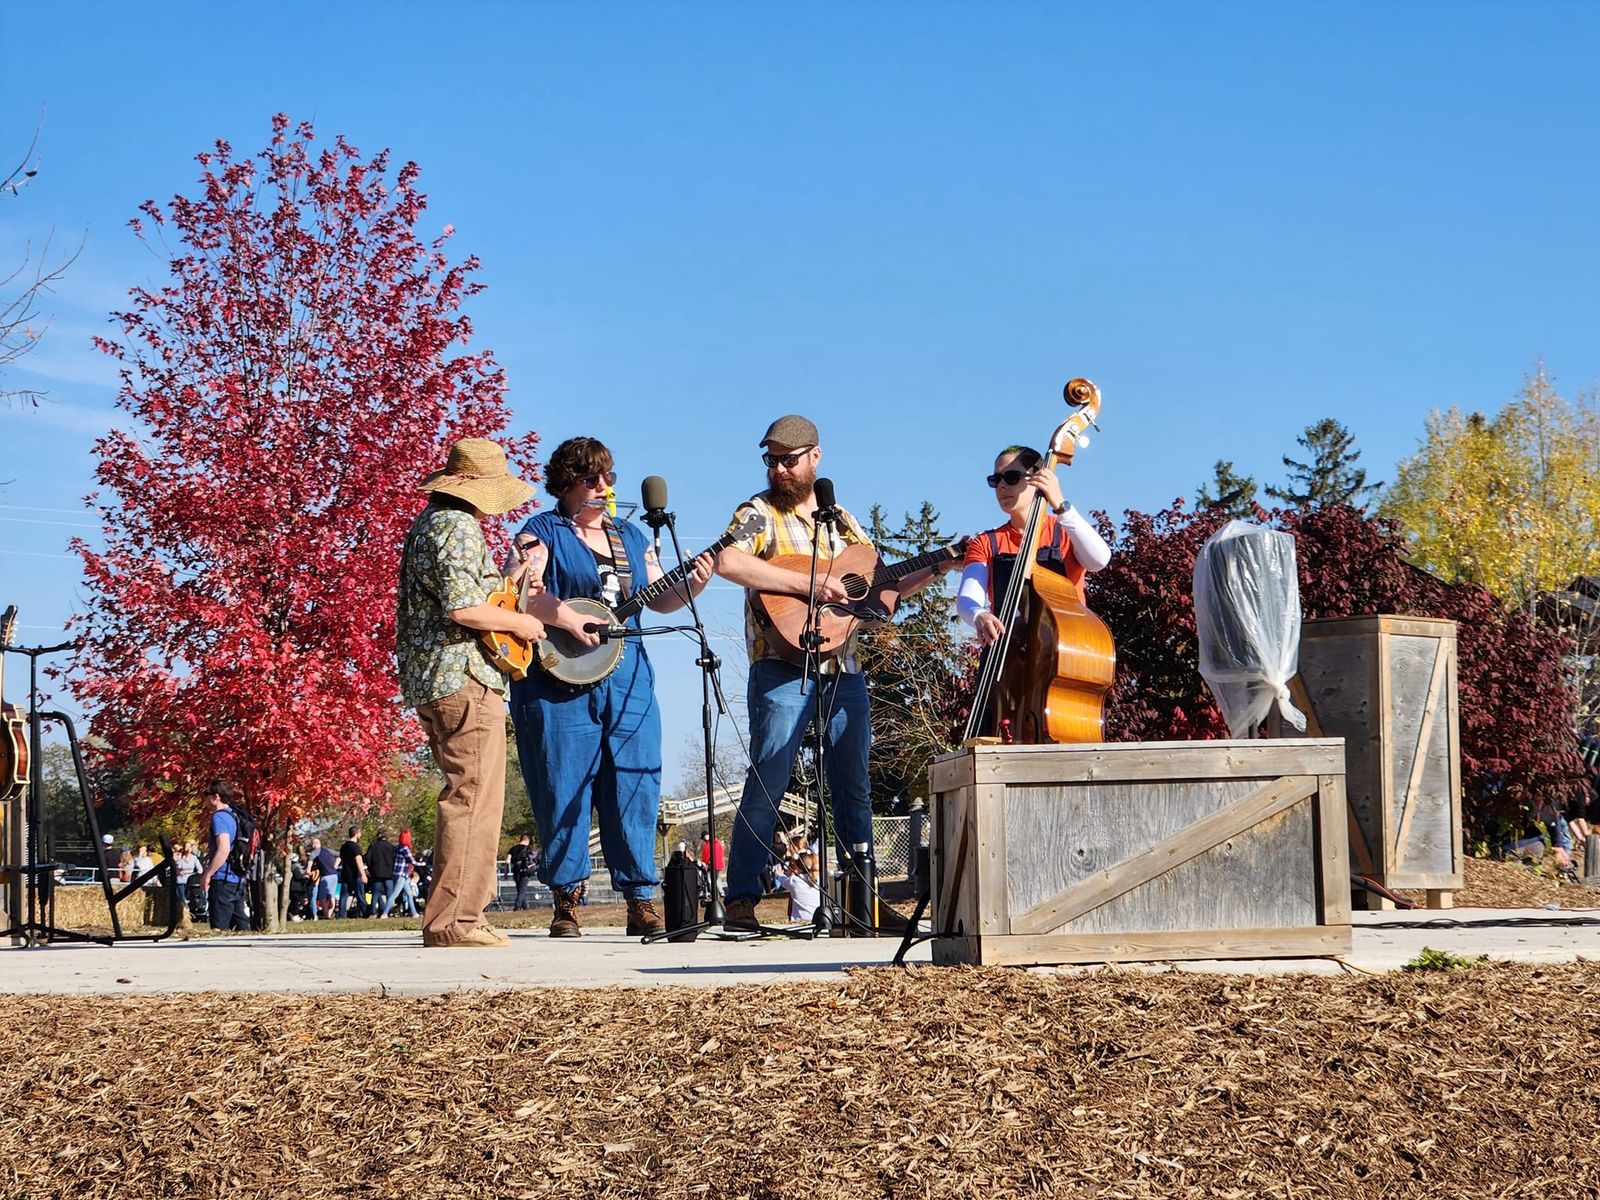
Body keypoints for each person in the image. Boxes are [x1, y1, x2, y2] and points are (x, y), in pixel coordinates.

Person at [714, 414, 952, 932]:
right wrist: (811, 585)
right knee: (769, 778)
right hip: (781, 666)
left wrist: (939, 565)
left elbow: (879, 588)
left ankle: (862, 900)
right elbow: (728, 562)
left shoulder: (841, 520)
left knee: (853, 785)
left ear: (815, 457)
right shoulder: (758, 512)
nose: (779, 469)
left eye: (789, 459)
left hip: (845, 667)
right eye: (772, 460)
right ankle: (742, 900)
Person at [508, 436, 715, 939]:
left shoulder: (631, 536)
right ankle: (566, 901)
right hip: (557, 676)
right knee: (561, 782)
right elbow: (518, 590)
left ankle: (640, 898)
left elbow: (660, 597)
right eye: (591, 479)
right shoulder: (540, 532)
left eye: (609, 477)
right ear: (565, 484)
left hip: (628, 673)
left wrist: (695, 582)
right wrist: (565, 616)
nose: (603, 487)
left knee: (636, 781)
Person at [398, 437, 547, 949]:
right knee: (474, 797)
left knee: (467, 793)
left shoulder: (431, 523)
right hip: (465, 678)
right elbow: (463, 610)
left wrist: (513, 579)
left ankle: (457, 916)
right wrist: (523, 623)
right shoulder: (457, 527)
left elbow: (467, 596)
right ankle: (455, 922)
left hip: (436, 679)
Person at [955, 443, 1112, 648]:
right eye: (996, 479)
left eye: (1012, 477)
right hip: (1008, 652)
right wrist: (979, 614)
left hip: (1067, 647)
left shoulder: (1065, 530)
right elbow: (968, 598)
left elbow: (1099, 560)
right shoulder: (985, 542)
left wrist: (1061, 505)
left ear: (1038, 479)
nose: (1001, 486)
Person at [196, 780, 250, 931]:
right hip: (237, 878)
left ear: (216, 797)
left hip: (222, 879)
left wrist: (208, 874)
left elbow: (223, 849)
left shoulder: (219, 817)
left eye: (206, 795)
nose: (205, 798)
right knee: (241, 929)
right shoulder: (234, 815)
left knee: (219, 929)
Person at [771, 849, 821, 922]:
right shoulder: (818, 880)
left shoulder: (794, 881)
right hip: (816, 919)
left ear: (797, 867)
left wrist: (779, 874)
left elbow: (783, 880)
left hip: (799, 920)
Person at [337, 827, 369, 919]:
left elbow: (340, 859)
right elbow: (358, 860)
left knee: (344, 896)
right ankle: (366, 913)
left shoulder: (344, 847)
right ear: (357, 834)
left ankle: (341, 915)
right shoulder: (355, 847)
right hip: (355, 875)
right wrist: (363, 874)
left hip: (345, 875)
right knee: (360, 895)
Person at [366, 829, 398, 917]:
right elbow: (395, 859)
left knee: (375, 893)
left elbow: (367, 858)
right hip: (389, 874)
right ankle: (388, 911)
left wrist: (371, 869)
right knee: (389, 894)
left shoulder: (373, 846)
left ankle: (373, 912)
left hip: (377, 873)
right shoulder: (391, 847)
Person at [307, 838, 339, 920]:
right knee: (332, 896)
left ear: (314, 844)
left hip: (326, 876)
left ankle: (326, 914)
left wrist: (308, 870)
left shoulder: (315, 852)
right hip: (334, 875)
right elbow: (340, 855)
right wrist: (335, 865)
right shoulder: (328, 850)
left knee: (322, 897)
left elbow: (310, 861)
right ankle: (329, 914)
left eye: (312, 844)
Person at [507, 834, 534, 911]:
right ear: (527, 840)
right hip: (525, 871)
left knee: (520, 889)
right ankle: (517, 906)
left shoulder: (513, 849)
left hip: (516, 870)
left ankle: (525, 906)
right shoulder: (528, 849)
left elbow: (507, 861)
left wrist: (506, 872)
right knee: (522, 890)